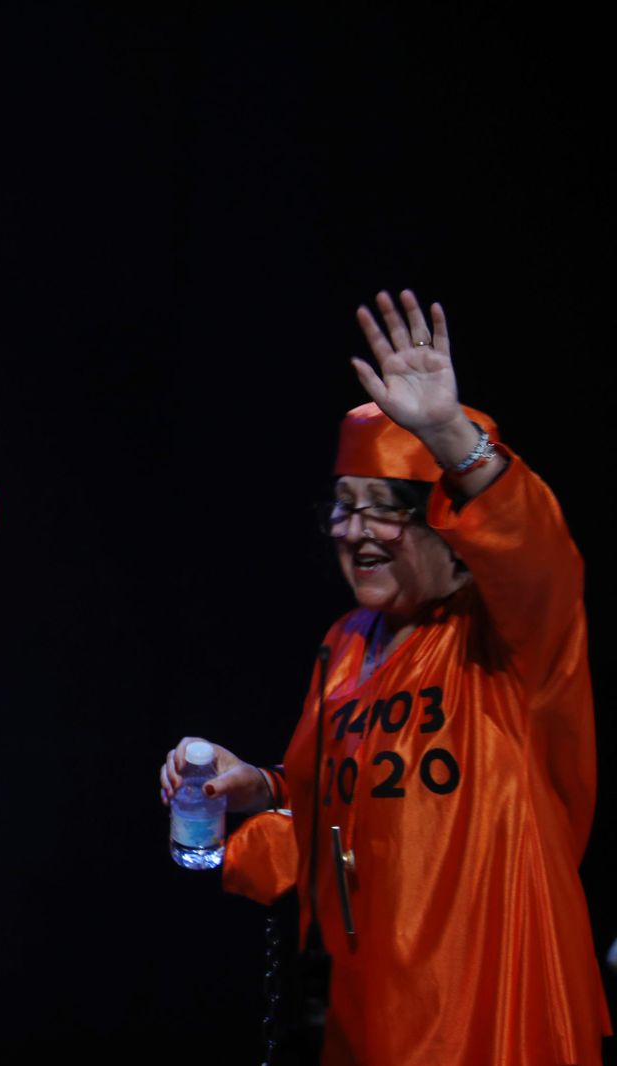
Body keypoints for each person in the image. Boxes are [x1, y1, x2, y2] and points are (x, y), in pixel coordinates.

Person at [159, 290, 609, 1064]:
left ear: (450, 522)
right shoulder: (343, 646)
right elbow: (339, 808)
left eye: (385, 508)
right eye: (343, 506)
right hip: (365, 1008)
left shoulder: (511, 636)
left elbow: (538, 552)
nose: (355, 531)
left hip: (485, 1000)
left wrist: (448, 433)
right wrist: (255, 787)